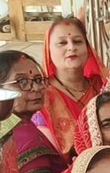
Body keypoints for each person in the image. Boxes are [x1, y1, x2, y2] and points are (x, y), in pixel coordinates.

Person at [0, 49, 69, 173]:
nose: (36, 88)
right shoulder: (28, 138)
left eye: (38, 80)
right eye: (22, 82)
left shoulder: (0, 126)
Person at [37, 16, 105, 155]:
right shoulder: (41, 95)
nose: (71, 47)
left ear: (87, 48)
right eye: (62, 43)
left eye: (77, 41)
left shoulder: (102, 86)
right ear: (48, 51)